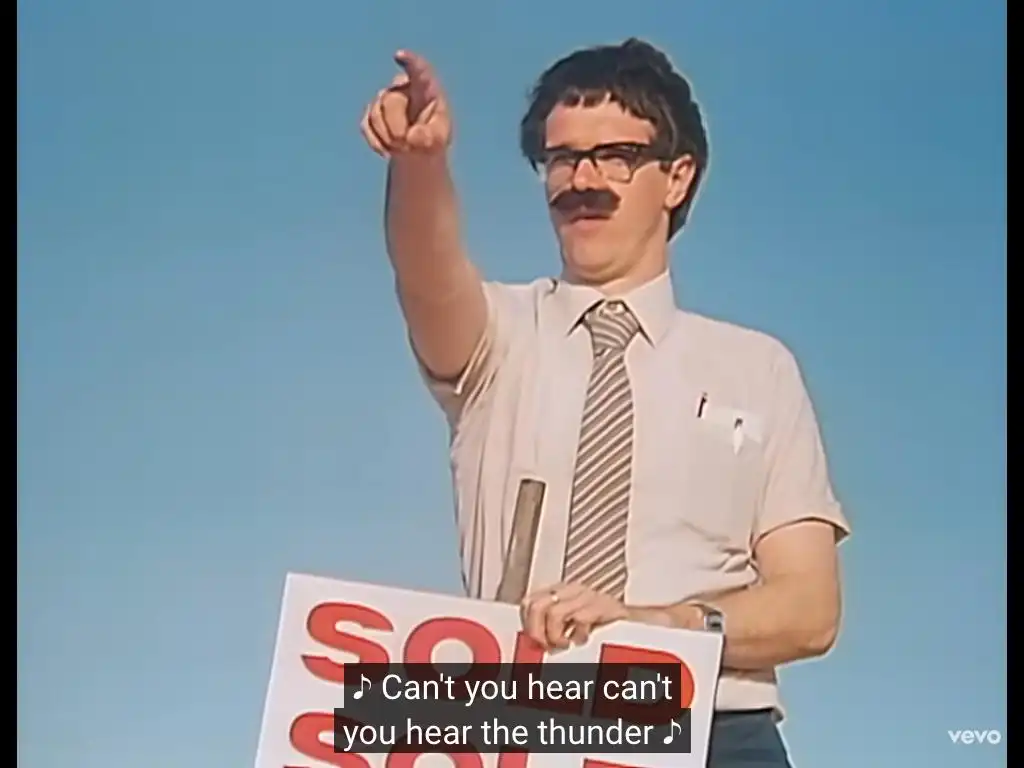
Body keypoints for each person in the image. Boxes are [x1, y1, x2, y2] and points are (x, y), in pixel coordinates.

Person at [360, 38, 850, 768]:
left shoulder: (759, 369)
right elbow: (424, 269)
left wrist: (656, 627)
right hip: (527, 721)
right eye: (562, 159)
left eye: (616, 156)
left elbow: (810, 610)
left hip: (713, 727)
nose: (583, 180)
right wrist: (419, 163)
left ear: (677, 176)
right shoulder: (498, 337)